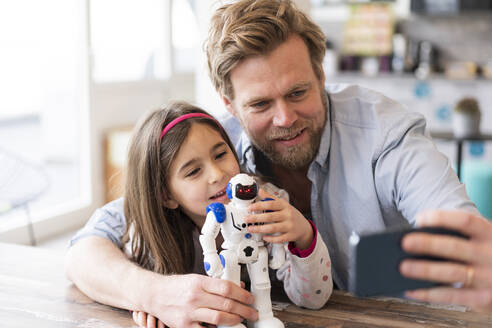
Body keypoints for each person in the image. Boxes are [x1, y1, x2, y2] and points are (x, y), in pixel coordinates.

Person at [65, 0, 492, 316]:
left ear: (322, 75)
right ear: (229, 104)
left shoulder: (386, 135)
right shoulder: (216, 145)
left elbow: (464, 239)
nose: (285, 118)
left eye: (298, 92)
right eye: (260, 105)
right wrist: (152, 293)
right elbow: (86, 245)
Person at [67, 101, 333, 328]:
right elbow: (87, 262)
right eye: (193, 171)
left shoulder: (268, 204)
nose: (217, 174)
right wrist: (144, 301)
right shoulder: (146, 239)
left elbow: (313, 298)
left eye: (220, 154)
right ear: (166, 196)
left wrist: (304, 235)